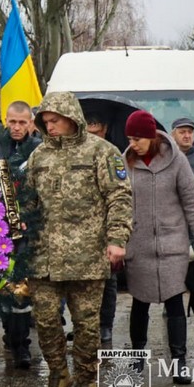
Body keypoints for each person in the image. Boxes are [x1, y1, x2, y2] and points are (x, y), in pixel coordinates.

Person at [24, 92, 132, 387]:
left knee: (86, 326)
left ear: (72, 117)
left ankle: (86, 380)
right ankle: (58, 373)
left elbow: (119, 198)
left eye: (55, 120)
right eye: (45, 122)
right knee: (44, 321)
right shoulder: (38, 156)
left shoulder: (103, 153)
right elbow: (28, 202)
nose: (50, 126)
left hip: (86, 257)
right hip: (44, 257)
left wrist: (117, 240)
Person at [123, 110, 194, 385]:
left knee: (175, 302)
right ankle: (137, 358)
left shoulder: (177, 161)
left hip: (172, 244)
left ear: (151, 136)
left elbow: (193, 205)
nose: (133, 144)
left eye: (137, 138)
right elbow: (117, 203)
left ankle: (179, 362)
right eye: (130, 138)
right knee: (139, 302)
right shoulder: (125, 162)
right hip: (138, 245)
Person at [0, 100, 42, 367]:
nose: (16, 127)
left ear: (31, 124)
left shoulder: (37, 150)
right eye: (12, 121)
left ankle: (22, 345)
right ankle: (10, 336)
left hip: (27, 230)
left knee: (22, 290)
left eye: (22, 122)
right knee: (3, 288)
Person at [83, 110, 120, 348]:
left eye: (95, 130)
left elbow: (120, 194)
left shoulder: (113, 155)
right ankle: (85, 326)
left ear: (104, 129)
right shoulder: (79, 152)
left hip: (107, 225)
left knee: (108, 279)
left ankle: (105, 324)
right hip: (82, 227)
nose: (92, 134)